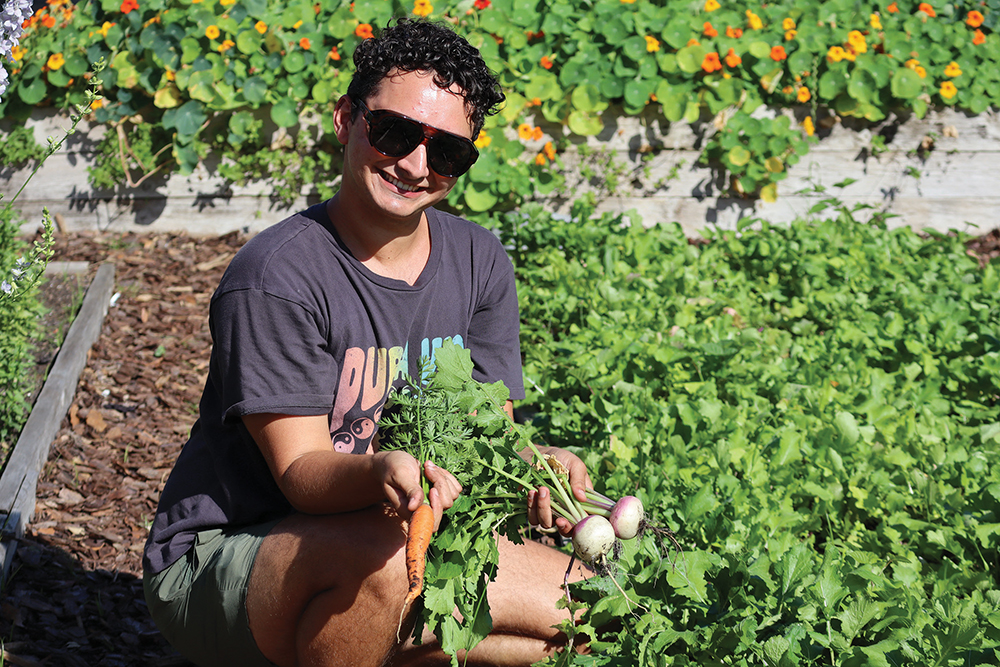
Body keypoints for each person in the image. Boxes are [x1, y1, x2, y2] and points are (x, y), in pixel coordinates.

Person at [142, 17, 593, 667]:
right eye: (396, 132)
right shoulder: (277, 277)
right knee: (381, 565)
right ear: (347, 118)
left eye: (446, 152)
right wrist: (382, 469)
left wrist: (535, 465)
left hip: (403, 535)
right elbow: (302, 476)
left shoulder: (480, 261)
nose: (415, 165)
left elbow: (487, 430)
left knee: (588, 612)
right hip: (227, 554)